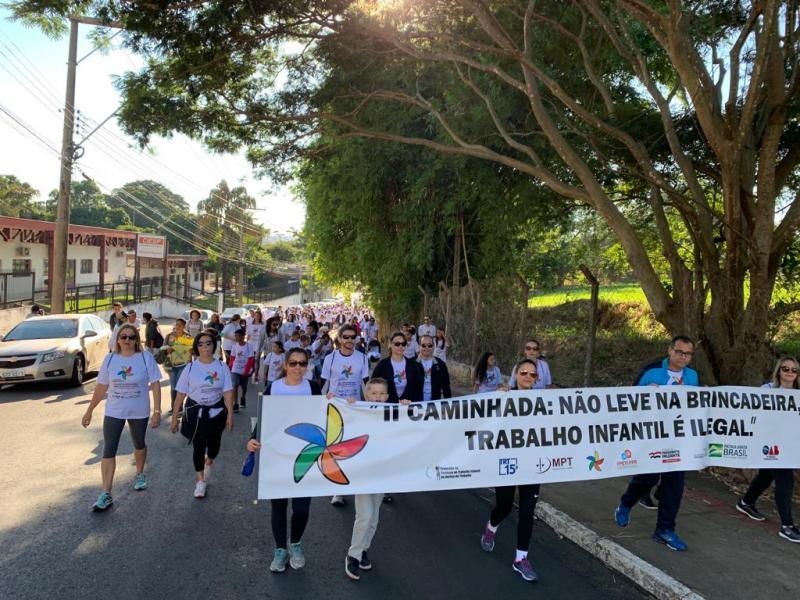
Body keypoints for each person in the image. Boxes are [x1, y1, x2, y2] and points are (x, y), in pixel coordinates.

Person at [614, 335, 699, 552]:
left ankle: (665, 530)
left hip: (677, 440)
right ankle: (626, 503)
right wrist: (645, 393)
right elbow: (628, 399)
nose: (683, 357)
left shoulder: (692, 376)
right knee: (648, 478)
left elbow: (694, 405)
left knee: (674, 486)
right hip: (651, 437)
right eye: (679, 352)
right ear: (670, 350)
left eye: (688, 354)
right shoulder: (651, 371)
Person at [247, 348, 322, 572]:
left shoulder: (313, 388)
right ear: (285, 365)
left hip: (306, 454)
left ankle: (296, 543)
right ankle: (280, 549)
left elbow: (324, 415)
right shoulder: (275, 388)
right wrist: (252, 440)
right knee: (278, 506)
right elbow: (264, 417)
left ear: (307, 365)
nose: (298, 368)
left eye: (302, 363)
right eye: (293, 363)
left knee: (301, 508)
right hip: (277, 454)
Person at [81, 323, 162, 511]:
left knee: (139, 443)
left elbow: (156, 384)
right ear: (117, 339)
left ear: (136, 340)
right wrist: (90, 410)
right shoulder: (110, 359)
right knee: (109, 449)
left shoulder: (145, 357)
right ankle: (106, 493)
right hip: (114, 411)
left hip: (138, 410)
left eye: (131, 337)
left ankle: (140, 473)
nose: (127, 340)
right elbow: (101, 387)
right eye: (123, 337)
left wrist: (157, 411)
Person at [480, 358, 541, 582]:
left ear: (537, 379)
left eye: (532, 374)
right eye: (523, 372)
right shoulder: (504, 396)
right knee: (504, 507)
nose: (527, 376)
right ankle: (492, 526)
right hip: (507, 463)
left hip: (533, 465)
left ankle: (520, 559)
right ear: (516, 375)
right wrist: (499, 396)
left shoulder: (545, 401)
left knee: (527, 512)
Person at [735, 356, 800, 542]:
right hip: (769, 443)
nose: (789, 373)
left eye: (794, 370)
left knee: (767, 474)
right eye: (785, 369)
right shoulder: (767, 390)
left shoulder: (798, 394)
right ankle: (786, 526)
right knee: (785, 479)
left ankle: (746, 502)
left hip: (789, 445)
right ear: (779, 370)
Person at [170, 331, 234, 499]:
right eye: (201, 344)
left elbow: (227, 391)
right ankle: (200, 480)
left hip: (216, 412)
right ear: (196, 347)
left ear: (214, 345)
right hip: (195, 412)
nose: (205, 347)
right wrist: (174, 418)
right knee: (198, 445)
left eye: (208, 343)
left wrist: (230, 415)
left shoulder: (221, 367)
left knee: (214, 446)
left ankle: (210, 459)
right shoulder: (190, 368)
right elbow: (180, 395)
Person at [345, 378, 390, 580]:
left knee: (374, 517)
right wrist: (348, 405)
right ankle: (353, 555)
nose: (378, 397)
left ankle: (363, 549)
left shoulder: (392, 413)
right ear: (366, 395)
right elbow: (342, 417)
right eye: (374, 393)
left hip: (381, 473)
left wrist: (407, 406)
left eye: (382, 393)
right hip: (363, 473)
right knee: (365, 514)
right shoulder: (358, 411)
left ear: (387, 397)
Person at [322, 323, 370, 507]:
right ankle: (338, 491)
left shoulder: (362, 358)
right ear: (340, 339)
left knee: (354, 446)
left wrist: (369, 407)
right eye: (346, 337)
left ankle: (355, 484)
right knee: (335, 448)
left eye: (353, 337)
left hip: (355, 408)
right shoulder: (330, 358)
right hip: (335, 408)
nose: (350, 340)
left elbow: (367, 384)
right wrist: (320, 402)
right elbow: (323, 383)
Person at [163, 318, 194, 414]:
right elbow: (163, 347)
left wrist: (188, 354)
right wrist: (167, 349)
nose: (178, 326)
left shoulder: (187, 337)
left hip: (183, 365)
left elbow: (191, 351)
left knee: (179, 386)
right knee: (173, 386)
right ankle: (174, 407)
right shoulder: (170, 336)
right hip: (171, 364)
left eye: (180, 325)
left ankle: (179, 407)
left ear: (184, 326)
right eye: (177, 324)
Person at [418, 335, 452, 401]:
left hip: (434, 406)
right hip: (415, 406)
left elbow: (446, 387)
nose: (426, 348)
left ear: (433, 347)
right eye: (423, 345)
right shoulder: (411, 363)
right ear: (419, 346)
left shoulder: (441, 364)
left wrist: (448, 405)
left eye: (429, 345)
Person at [228, 328, 254, 412]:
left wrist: (247, 371)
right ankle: (236, 403)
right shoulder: (234, 346)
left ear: (243, 336)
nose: (236, 338)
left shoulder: (249, 346)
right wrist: (230, 367)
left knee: (244, 386)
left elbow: (250, 359)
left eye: (238, 336)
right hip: (235, 369)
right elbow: (232, 358)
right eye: (235, 336)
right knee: (234, 385)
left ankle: (243, 397)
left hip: (245, 369)